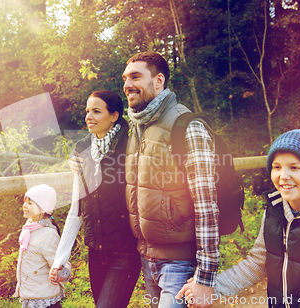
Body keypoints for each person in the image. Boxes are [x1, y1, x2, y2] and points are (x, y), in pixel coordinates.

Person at [182, 129, 300, 307]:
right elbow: (258, 263)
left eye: (294, 167)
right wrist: (209, 286)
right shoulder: (274, 211)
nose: (283, 176)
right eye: (277, 167)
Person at [122, 51, 219, 308]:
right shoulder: (137, 127)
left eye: (135, 76)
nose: (127, 85)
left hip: (180, 262)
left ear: (158, 80)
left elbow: (206, 203)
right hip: (147, 257)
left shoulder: (186, 125)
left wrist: (206, 276)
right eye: (125, 78)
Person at [50, 90, 141, 308]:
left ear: (114, 116)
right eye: (87, 111)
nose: (88, 117)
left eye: (96, 111)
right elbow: (76, 211)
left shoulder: (131, 148)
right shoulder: (82, 151)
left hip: (125, 252)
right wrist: (60, 259)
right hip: (96, 252)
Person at [13, 184, 68, 308]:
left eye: (30, 203)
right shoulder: (29, 228)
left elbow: (61, 262)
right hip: (30, 295)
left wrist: (59, 272)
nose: (24, 206)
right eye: (25, 201)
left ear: (43, 209)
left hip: (44, 298)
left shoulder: (48, 234)